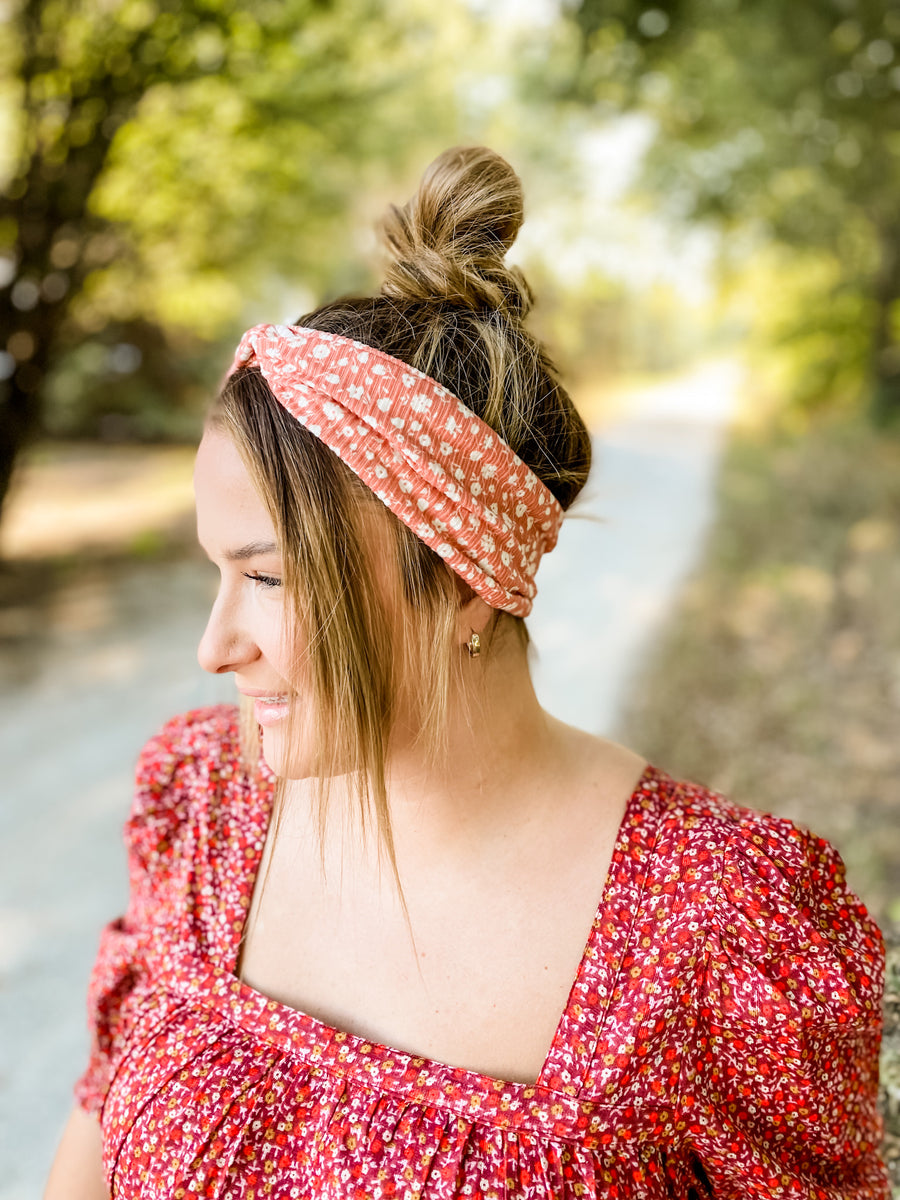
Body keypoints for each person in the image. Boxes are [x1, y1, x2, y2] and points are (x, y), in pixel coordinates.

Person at [45, 146, 889, 1200]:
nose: (214, 647)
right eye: (218, 571)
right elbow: (99, 1119)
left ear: (465, 580)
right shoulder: (202, 802)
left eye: (267, 578)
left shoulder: (716, 931)